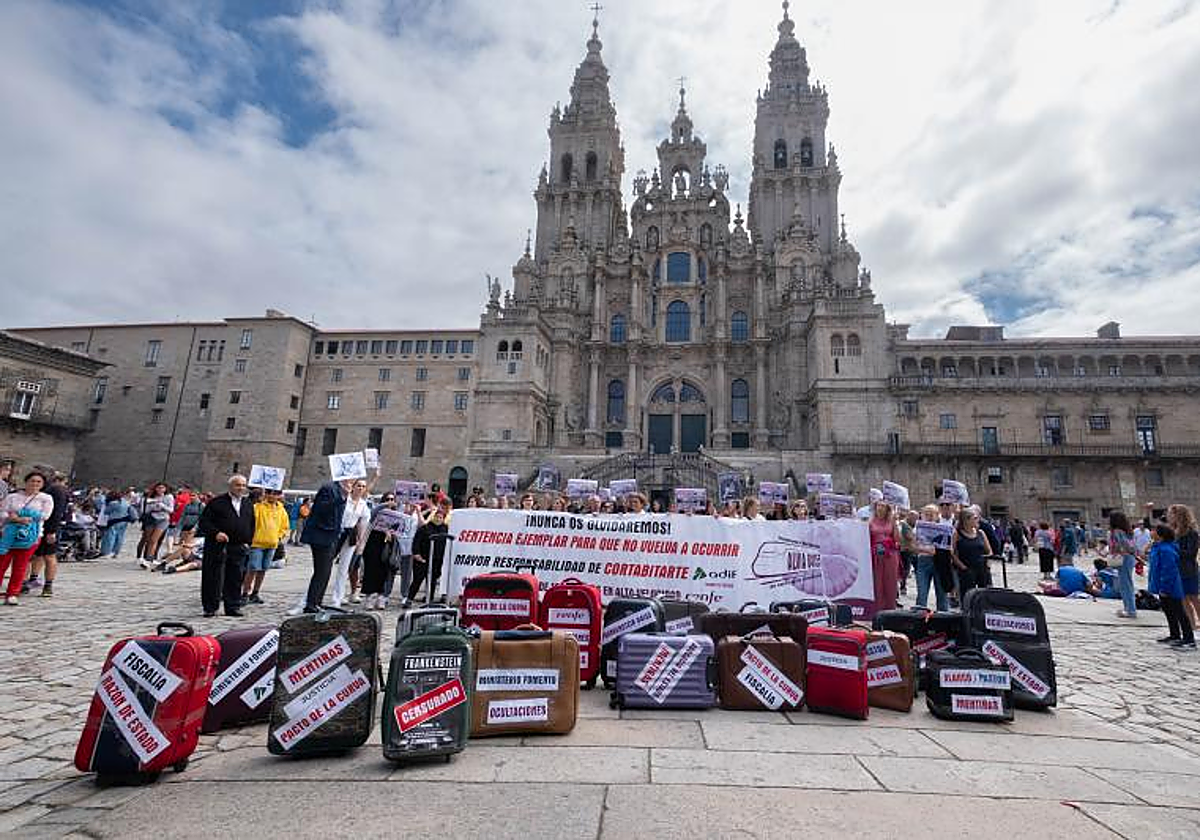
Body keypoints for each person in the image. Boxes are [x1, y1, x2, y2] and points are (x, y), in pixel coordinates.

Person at [197, 475, 255, 617]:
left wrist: (248, 541)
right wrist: (216, 533)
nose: (241, 488)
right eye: (237, 485)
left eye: (243, 485)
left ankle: (232, 606)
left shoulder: (247, 503)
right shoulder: (217, 502)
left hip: (238, 546)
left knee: (235, 577)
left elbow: (251, 523)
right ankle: (210, 607)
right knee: (213, 577)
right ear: (230, 486)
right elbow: (204, 522)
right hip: (217, 546)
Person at [0, 471, 54, 605]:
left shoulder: (45, 498)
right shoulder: (13, 497)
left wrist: (22, 515)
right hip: (8, 535)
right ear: (26, 482)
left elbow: (45, 515)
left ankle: (12, 593)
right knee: (2, 563)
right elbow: (2, 512)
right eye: (32, 481)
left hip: (30, 536)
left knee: (20, 565)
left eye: (38, 482)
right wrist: (13, 518)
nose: (35, 484)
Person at [298, 478, 350, 613]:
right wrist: (342, 497)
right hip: (321, 536)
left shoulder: (340, 490)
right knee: (322, 571)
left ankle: (316, 602)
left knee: (325, 572)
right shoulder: (329, 488)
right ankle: (311, 604)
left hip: (331, 536)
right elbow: (322, 508)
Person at [1149, 524, 1194, 649]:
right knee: (1169, 611)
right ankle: (1174, 634)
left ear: (1161, 535)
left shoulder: (1166, 550)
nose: (1151, 532)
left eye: (1154, 530)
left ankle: (1188, 638)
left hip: (1170, 586)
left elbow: (1169, 570)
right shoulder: (1158, 547)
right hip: (1162, 585)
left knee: (1179, 612)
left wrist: (1165, 587)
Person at [25, 471, 69, 597]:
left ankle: (48, 586)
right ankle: (31, 580)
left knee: (49, 556)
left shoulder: (57, 490)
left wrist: (52, 531)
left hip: (49, 527)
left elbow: (57, 512)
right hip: (36, 527)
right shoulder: (47, 489)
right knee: (35, 555)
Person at [242, 488, 289, 605]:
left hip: (272, 544)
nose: (272, 496)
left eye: (275, 493)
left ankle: (255, 593)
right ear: (265, 494)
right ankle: (245, 593)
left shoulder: (281, 509)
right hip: (257, 543)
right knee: (253, 568)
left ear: (279, 495)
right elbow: (250, 522)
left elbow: (284, 526)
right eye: (269, 493)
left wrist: (278, 537)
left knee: (263, 570)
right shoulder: (258, 507)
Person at [331, 478, 372, 607]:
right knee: (325, 564)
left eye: (363, 486)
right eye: (358, 485)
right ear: (353, 487)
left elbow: (364, 524)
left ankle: (338, 597)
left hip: (350, 535)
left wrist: (361, 543)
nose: (360, 488)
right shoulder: (345, 499)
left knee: (344, 567)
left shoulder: (363, 505)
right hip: (337, 533)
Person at [1167, 504, 1199, 630]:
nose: (1169, 517)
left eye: (1171, 514)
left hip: (1189, 570)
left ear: (1179, 516)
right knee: (1184, 599)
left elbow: (1191, 553)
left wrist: (1173, 550)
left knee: (1193, 598)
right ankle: (1192, 624)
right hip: (1177, 570)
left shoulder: (1192, 533)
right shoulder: (1173, 532)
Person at [409, 506, 450, 603]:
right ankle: (409, 598)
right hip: (423, 558)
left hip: (436, 560)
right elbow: (416, 541)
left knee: (432, 580)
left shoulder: (445, 529)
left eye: (440, 518)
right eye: (437, 517)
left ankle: (429, 598)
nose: (438, 519)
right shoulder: (425, 528)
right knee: (417, 579)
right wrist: (416, 553)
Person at [952, 507, 994, 598]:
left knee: (986, 595)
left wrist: (988, 563)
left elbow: (989, 551)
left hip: (982, 568)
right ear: (966, 520)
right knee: (968, 596)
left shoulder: (981, 533)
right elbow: (952, 553)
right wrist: (963, 567)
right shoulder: (957, 534)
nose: (978, 520)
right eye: (975, 518)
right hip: (967, 569)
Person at [869, 501, 901, 612]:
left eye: (883, 506)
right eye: (879, 505)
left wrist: (895, 524)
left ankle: (890, 609)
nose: (880, 508)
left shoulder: (891, 521)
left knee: (890, 582)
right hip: (876, 554)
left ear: (887, 509)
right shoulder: (870, 522)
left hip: (890, 554)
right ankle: (878, 610)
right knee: (877, 582)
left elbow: (897, 539)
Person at [1108, 511, 1138, 618]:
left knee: (1125, 585)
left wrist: (1117, 550)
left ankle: (1130, 610)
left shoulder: (1117, 532)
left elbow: (1123, 544)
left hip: (1124, 558)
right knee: (1127, 584)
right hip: (1129, 558)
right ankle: (1128, 608)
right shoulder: (1128, 531)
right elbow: (1132, 546)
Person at [139, 483, 174, 566]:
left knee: (154, 539)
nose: (160, 489)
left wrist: (162, 505)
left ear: (165, 489)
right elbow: (145, 510)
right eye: (158, 488)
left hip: (163, 520)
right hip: (151, 518)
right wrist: (153, 506)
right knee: (148, 540)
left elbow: (171, 510)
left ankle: (149, 559)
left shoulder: (169, 497)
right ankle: (148, 557)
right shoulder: (151, 497)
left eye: (162, 488)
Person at [100, 490, 133, 557]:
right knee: (120, 537)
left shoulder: (113, 503)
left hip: (114, 521)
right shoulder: (125, 502)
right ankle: (116, 552)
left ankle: (108, 552)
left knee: (111, 537)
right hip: (124, 521)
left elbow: (106, 512)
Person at [898, 509, 918, 596]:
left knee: (908, 569)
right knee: (906, 569)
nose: (915, 520)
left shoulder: (910, 525)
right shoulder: (904, 525)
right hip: (906, 550)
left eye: (916, 518)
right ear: (909, 516)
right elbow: (909, 537)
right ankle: (903, 586)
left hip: (911, 550)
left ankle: (903, 586)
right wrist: (916, 536)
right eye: (914, 518)